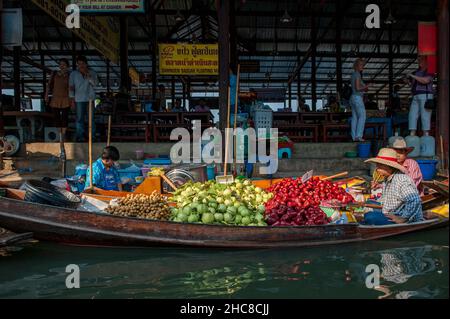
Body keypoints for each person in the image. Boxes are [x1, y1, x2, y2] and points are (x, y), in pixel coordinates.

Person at [363, 148, 423, 225]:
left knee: (370, 217)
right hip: (392, 212)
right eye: (377, 166)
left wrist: (403, 218)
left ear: (389, 166)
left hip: (404, 218)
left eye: (380, 166)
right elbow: (386, 200)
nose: (377, 169)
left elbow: (415, 200)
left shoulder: (401, 179)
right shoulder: (387, 179)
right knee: (369, 203)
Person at [69, 56, 98, 142]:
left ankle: (92, 136)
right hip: (78, 99)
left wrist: (88, 76)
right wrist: (72, 99)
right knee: (79, 118)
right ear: (77, 65)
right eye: (79, 64)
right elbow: (71, 87)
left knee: (91, 118)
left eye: (83, 64)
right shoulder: (73, 74)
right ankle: (80, 136)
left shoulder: (92, 73)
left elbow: (95, 84)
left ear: (86, 64)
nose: (81, 65)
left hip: (90, 99)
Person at [406, 55, 434, 137]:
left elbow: (425, 81)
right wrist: (408, 82)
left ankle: (426, 135)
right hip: (416, 95)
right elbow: (413, 85)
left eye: (421, 60)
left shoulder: (429, 71)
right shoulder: (417, 71)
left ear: (426, 61)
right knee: (412, 115)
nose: (419, 62)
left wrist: (412, 76)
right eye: (419, 60)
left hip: (425, 95)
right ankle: (412, 133)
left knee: (425, 116)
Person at [45, 58, 71, 140]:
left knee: (64, 117)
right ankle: (59, 135)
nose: (62, 66)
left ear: (67, 66)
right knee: (56, 117)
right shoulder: (54, 73)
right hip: (55, 98)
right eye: (60, 64)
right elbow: (49, 85)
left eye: (64, 64)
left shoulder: (70, 75)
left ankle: (63, 135)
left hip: (66, 98)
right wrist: (46, 95)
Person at [350, 58, 370, 142]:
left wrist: (365, 88)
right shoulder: (357, 74)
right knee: (362, 116)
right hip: (357, 98)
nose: (363, 67)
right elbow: (358, 88)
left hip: (353, 98)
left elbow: (357, 88)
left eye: (363, 65)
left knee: (355, 117)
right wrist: (367, 86)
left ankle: (354, 137)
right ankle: (358, 136)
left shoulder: (354, 74)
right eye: (361, 65)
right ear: (357, 66)